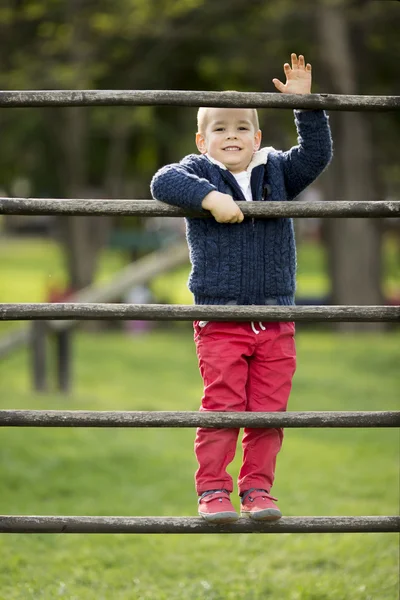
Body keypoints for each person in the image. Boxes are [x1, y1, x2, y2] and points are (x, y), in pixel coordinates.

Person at [151, 54, 333, 523]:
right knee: (223, 405)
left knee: (269, 411)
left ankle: (257, 490)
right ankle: (213, 491)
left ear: (257, 137)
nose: (230, 136)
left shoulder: (278, 174)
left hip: (276, 316)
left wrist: (307, 106)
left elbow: (317, 155)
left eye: (241, 128)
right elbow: (162, 180)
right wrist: (211, 198)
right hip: (220, 317)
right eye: (219, 129)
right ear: (202, 139)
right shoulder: (198, 173)